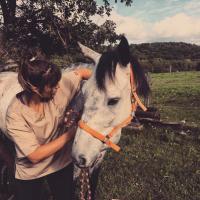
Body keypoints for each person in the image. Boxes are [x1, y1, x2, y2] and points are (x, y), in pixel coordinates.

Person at [5, 58, 91, 200]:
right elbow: (34, 155)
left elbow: (82, 73)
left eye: (57, 82)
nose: (58, 87)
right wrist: (72, 133)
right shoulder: (15, 114)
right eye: (52, 86)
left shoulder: (58, 86)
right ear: (35, 88)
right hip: (31, 171)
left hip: (61, 163)